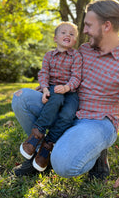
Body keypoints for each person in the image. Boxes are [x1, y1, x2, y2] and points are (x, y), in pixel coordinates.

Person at [11, 0, 119, 198]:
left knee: (64, 163)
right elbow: (62, 72)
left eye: (88, 25)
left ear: (106, 26)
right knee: (21, 98)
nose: (84, 30)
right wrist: (45, 89)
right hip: (68, 110)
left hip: (98, 122)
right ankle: (43, 153)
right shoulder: (84, 51)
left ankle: (95, 155)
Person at [20, 22, 82, 171]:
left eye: (71, 34)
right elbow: (44, 73)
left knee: (68, 114)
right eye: (63, 33)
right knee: (56, 98)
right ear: (55, 38)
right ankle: (37, 133)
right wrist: (46, 89)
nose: (67, 35)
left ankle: (48, 144)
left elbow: (76, 76)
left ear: (74, 41)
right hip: (53, 88)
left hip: (71, 91)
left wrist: (67, 87)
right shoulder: (49, 55)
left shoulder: (76, 56)